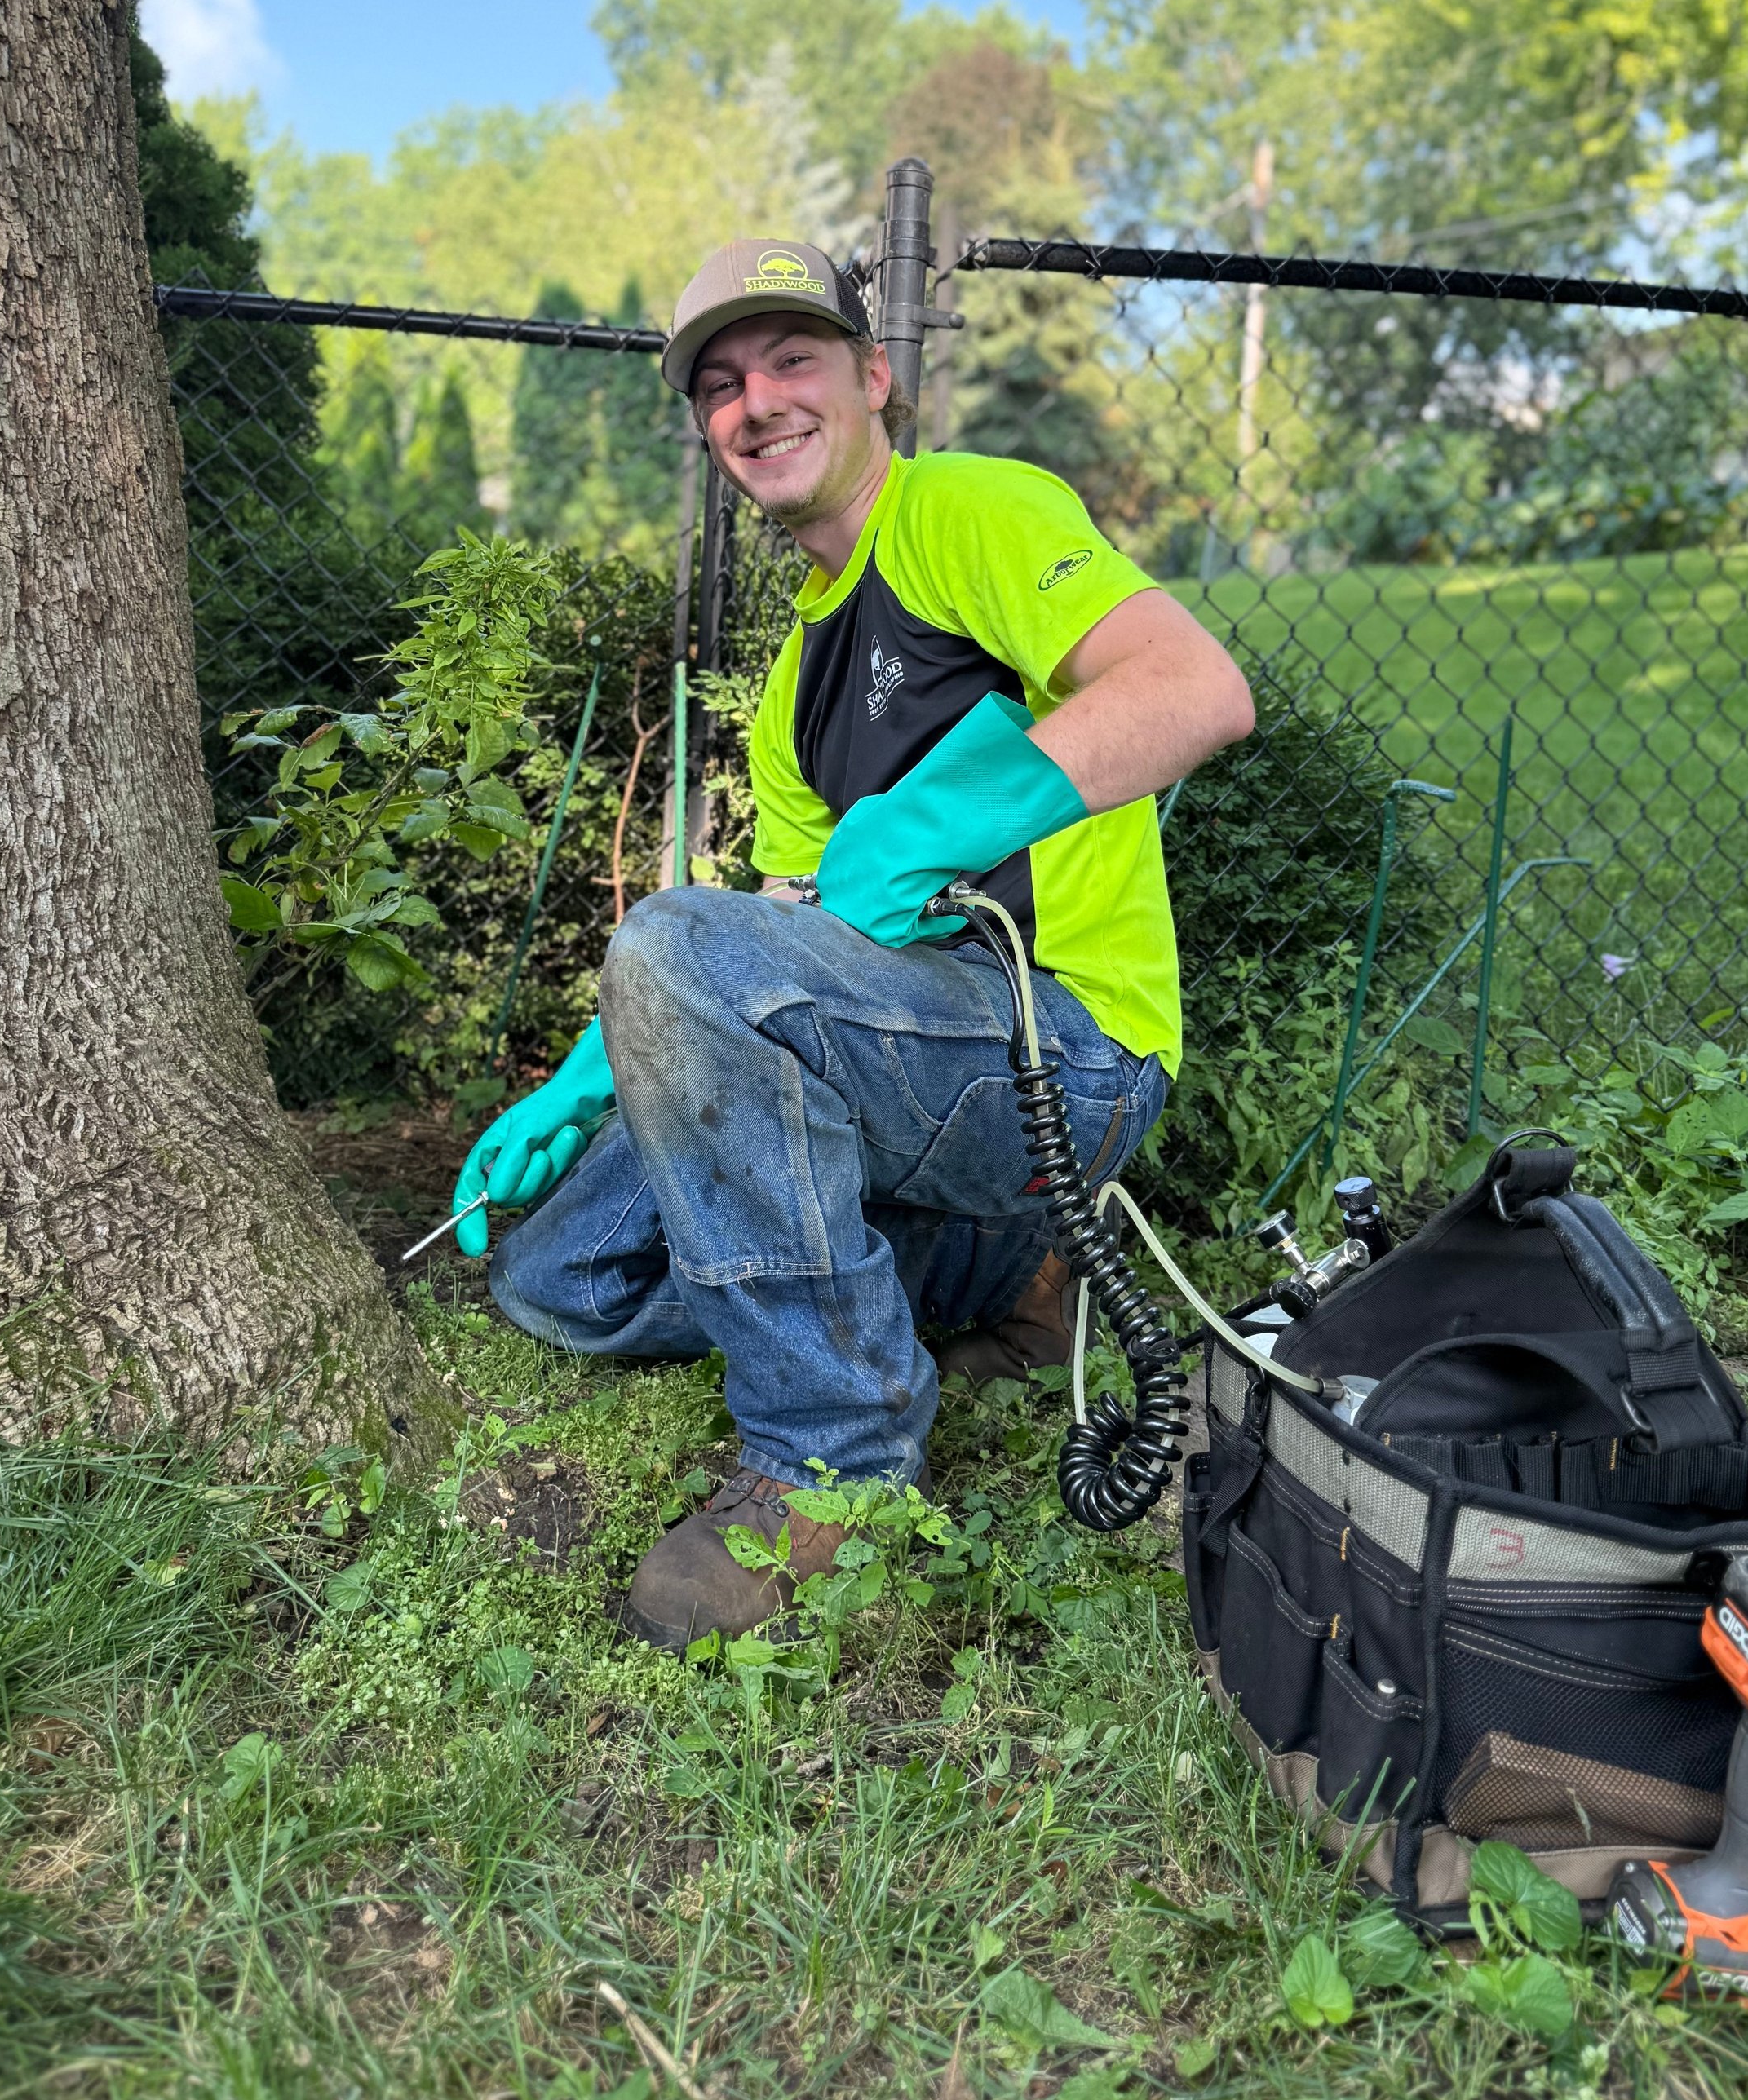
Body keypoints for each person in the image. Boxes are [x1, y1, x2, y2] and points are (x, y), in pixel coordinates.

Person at [451, 237, 1255, 1648]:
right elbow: (766, 954)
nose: (755, 400)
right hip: (911, 1062)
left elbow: (1194, 688)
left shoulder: (966, 512)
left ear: (877, 378)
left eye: (792, 360)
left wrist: (932, 820)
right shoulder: (790, 691)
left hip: (1066, 1051)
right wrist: (593, 1074)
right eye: (720, 383)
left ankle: (838, 1455)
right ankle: (1003, 1277)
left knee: (672, 950)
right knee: (556, 1277)